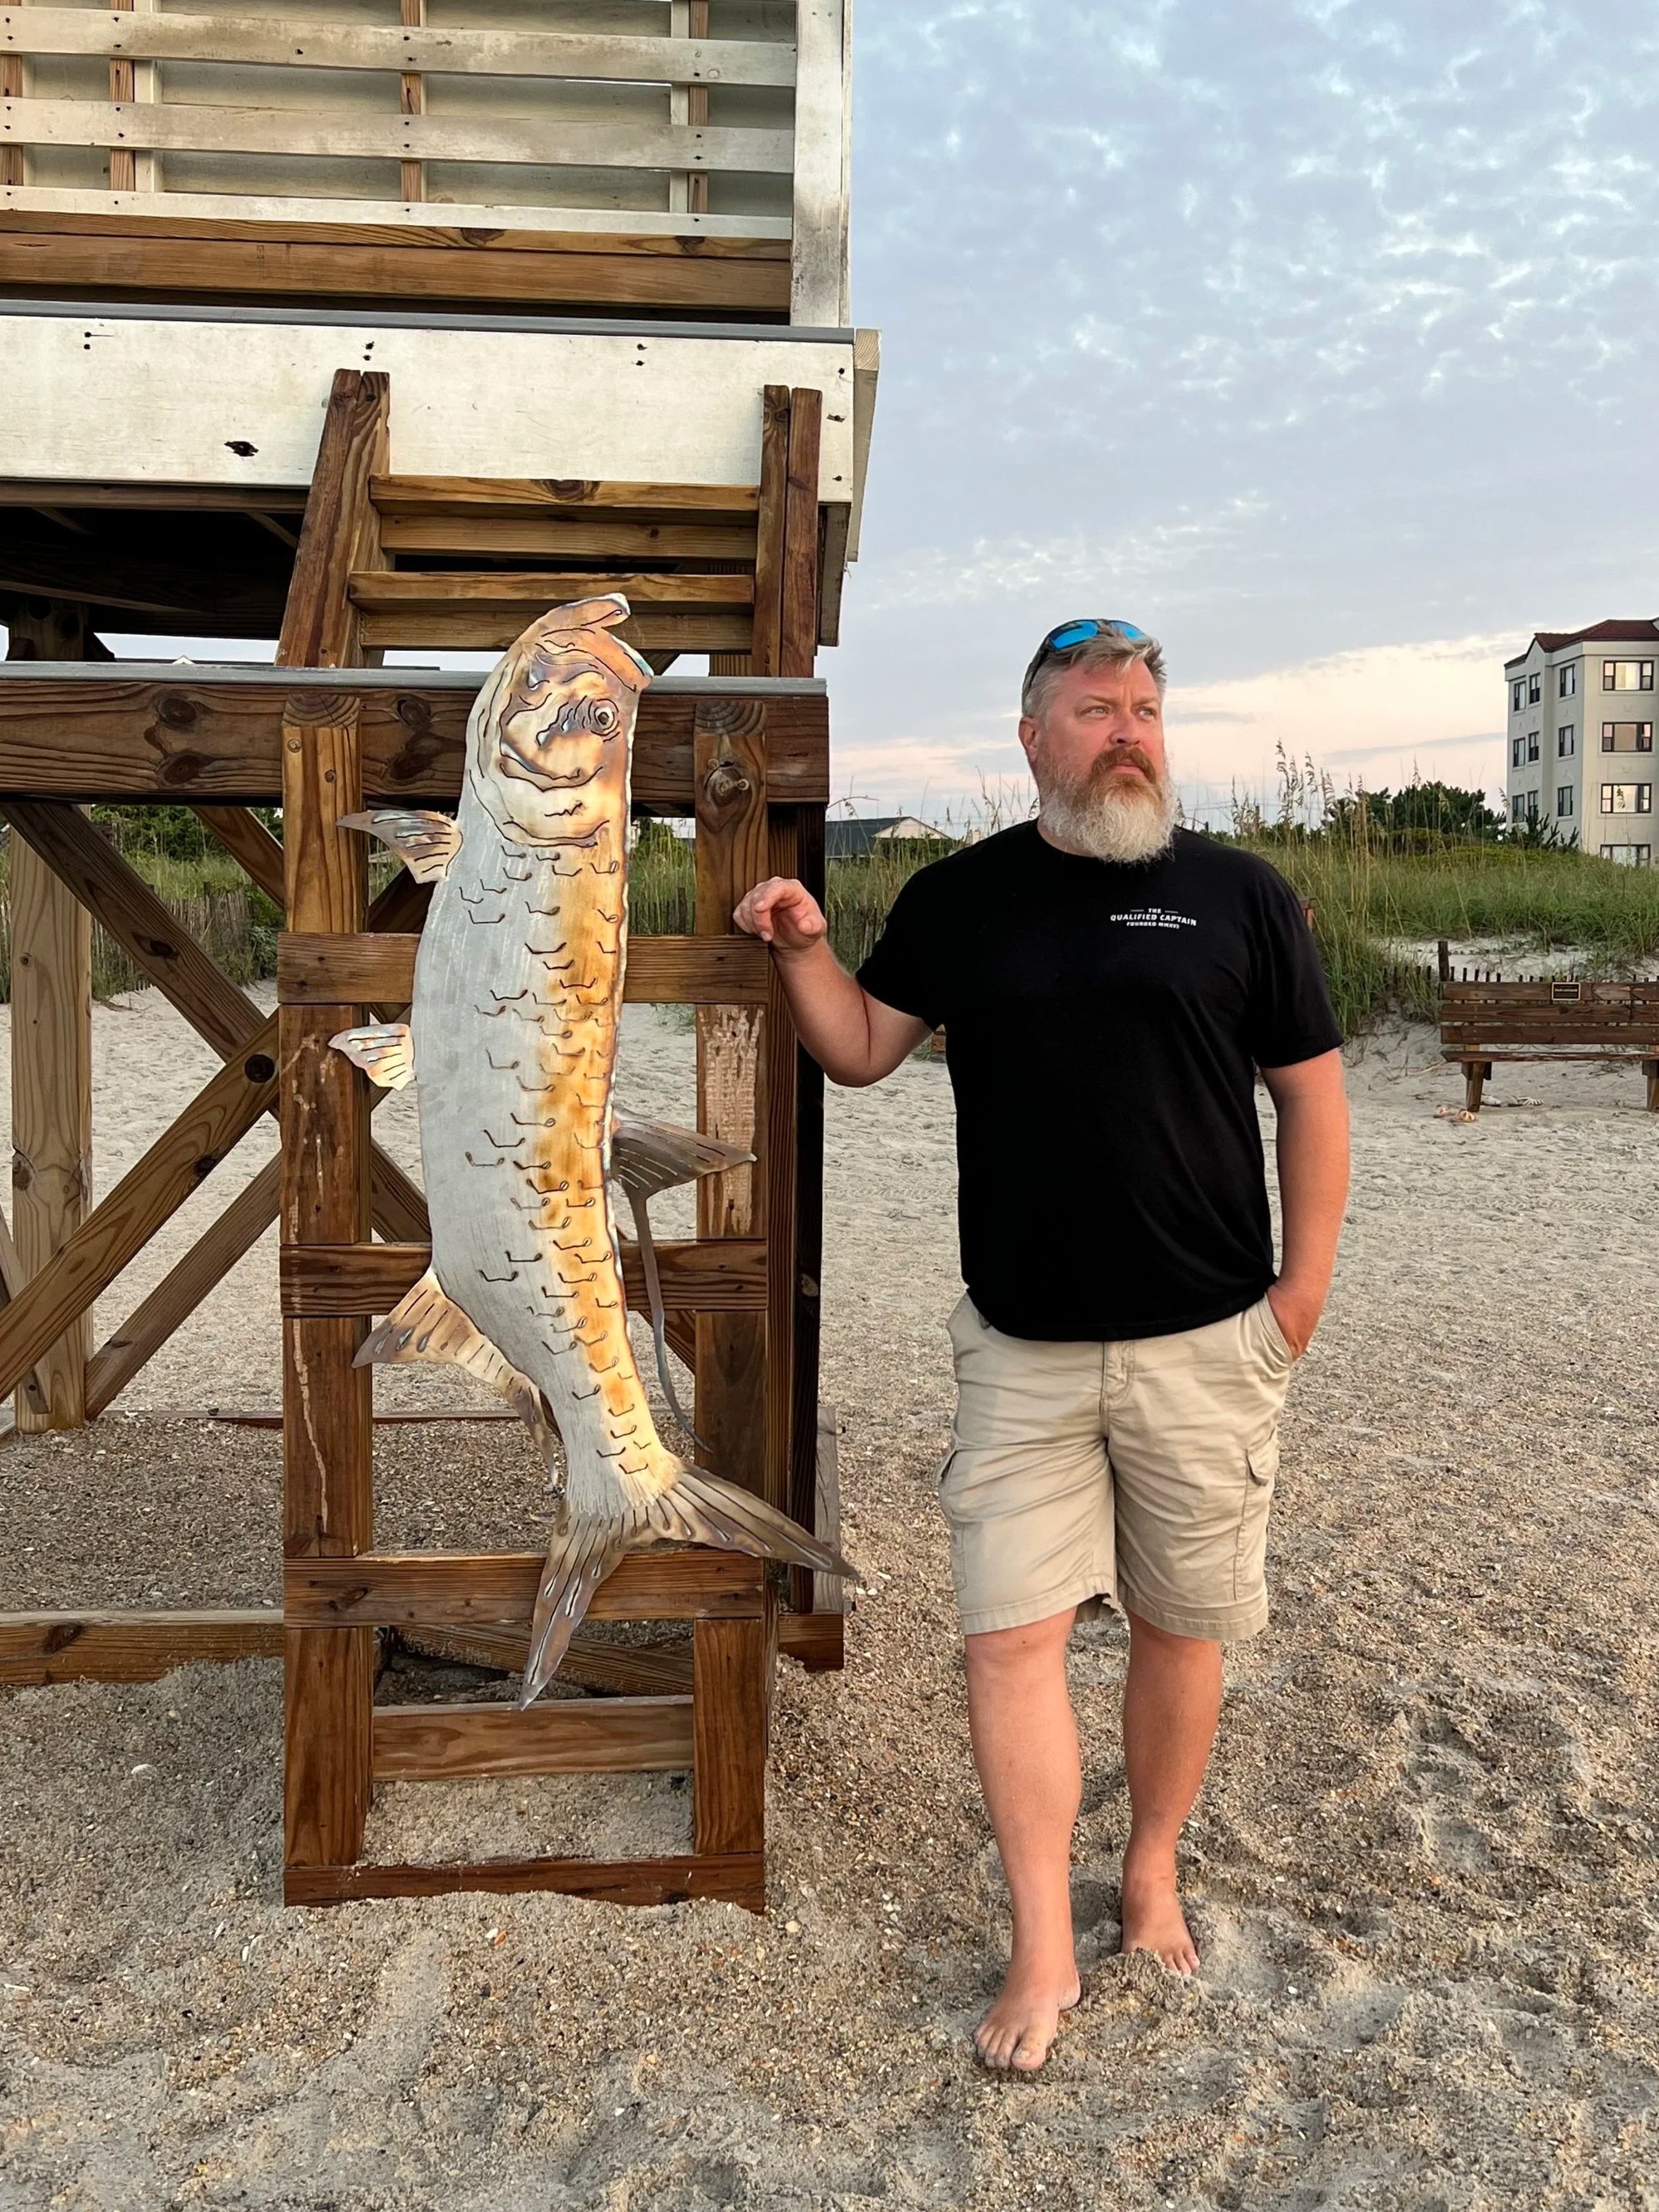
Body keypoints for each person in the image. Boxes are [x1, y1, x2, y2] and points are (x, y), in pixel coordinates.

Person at [733, 619, 1349, 2073]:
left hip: (1209, 1341)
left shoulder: (1239, 897)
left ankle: (1148, 1865)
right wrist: (805, 950)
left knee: (1181, 1625)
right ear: (1033, 736)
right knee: (1009, 1638)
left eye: (1145, 708)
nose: (1129, 730)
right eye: (1096, 708)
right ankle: (1040, 1940)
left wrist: (1299, 1296)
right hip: (1020, 1350)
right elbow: (864, 1047)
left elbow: (1312, 1100)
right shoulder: (963, 897)